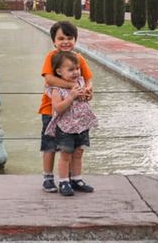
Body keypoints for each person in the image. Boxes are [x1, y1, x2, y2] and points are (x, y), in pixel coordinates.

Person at [38, 21, 93, 194]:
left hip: (74, 113)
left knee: (73, 148)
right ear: (54, 41)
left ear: (75, 40)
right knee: (50, 145)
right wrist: (73, 88)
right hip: (51, 109)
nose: (65, 42)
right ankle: (48, 178)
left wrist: (87, 89)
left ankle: (71, 179)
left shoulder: (78, 58)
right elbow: (50, 79)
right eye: (61, 38)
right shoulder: (52, 57)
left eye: (69, 38)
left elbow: (88, 78)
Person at [44, 50, 98, 197]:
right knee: (65, 154)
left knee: (79, 152)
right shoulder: (57, 89)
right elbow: (58, 108)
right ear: (59, 71)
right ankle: (63, 181)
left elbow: (85, 98)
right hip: (66, 127)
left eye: (77, 68)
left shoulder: (80, 82)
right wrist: (71, 97)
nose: (76, 72)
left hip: (81, 124)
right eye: (71, 69)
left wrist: (87, 95)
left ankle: (76, 179)